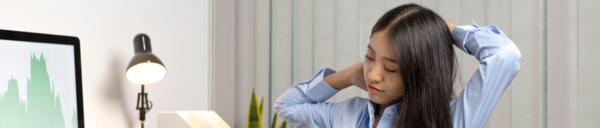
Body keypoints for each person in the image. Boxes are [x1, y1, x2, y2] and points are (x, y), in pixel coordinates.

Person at [274, 4, 520, 128]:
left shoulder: (453, 120)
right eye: (370, 57)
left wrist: (436, 29)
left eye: (391, 68)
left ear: (421, 72)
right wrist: (348, 75)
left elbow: (504, 54)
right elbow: (286, 106)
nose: (374, 75)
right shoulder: (348, 115)